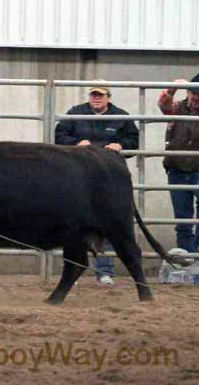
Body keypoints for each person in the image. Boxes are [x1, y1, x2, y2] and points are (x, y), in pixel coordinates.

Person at [55, 81, 139, 286]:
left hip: (108, 178)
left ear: (108, 97)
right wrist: (75, 144)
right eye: (93, 94)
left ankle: (105, 271)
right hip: (77, 178)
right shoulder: (75, 113)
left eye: (100, 95)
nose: (96, 98)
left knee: (110, 223)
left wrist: (121, 145)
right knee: (74, 224)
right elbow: (59, 136)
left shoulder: (121, 116)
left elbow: (134, 141)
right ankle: (73, 271)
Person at [158, 74, 199, 255]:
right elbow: (163, 105)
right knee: (183, 219)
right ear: (188, 92)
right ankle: (187, 261)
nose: (197, 97)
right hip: (177, 167)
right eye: (194, 93)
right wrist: (172, 88)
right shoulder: (176, 108)